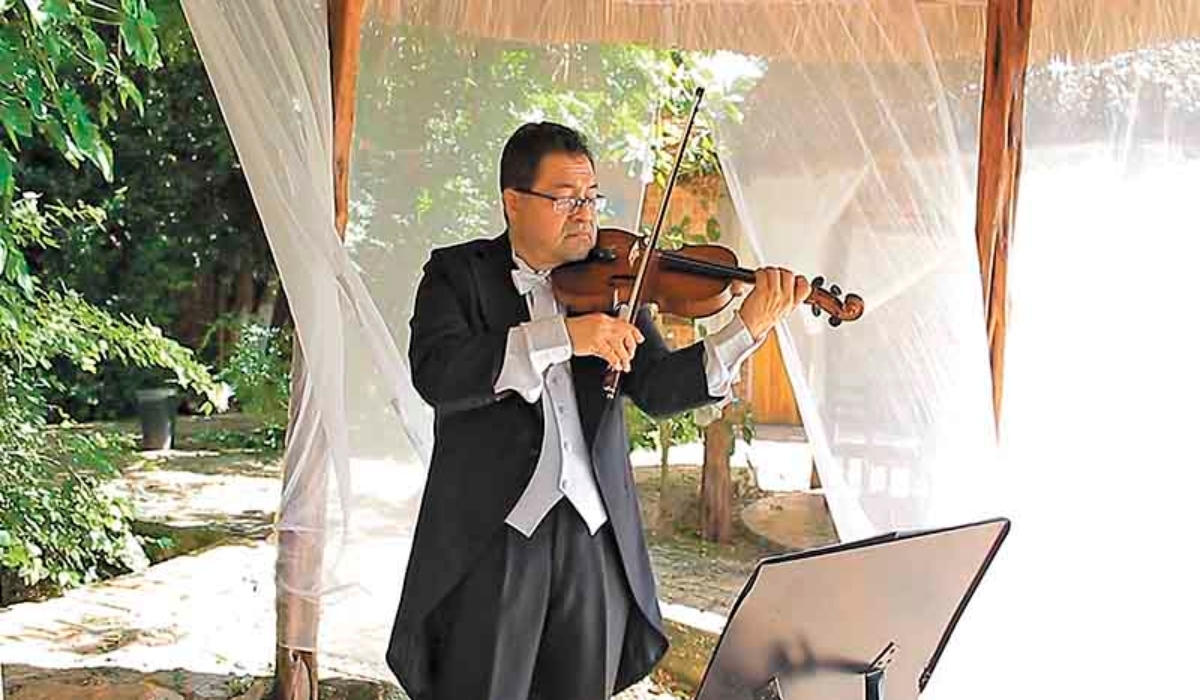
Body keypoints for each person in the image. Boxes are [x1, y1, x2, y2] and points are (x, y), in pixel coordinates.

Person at [386, 122, 811, 700]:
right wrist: (562, 336)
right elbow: (439, 374)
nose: (584, 214)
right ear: (514, 202)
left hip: (594, 539)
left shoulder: (615, 284)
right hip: (496, 540)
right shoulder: (457, 274)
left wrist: (746, 328)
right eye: (566, 199)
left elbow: (660, 389)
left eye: (591, 198)